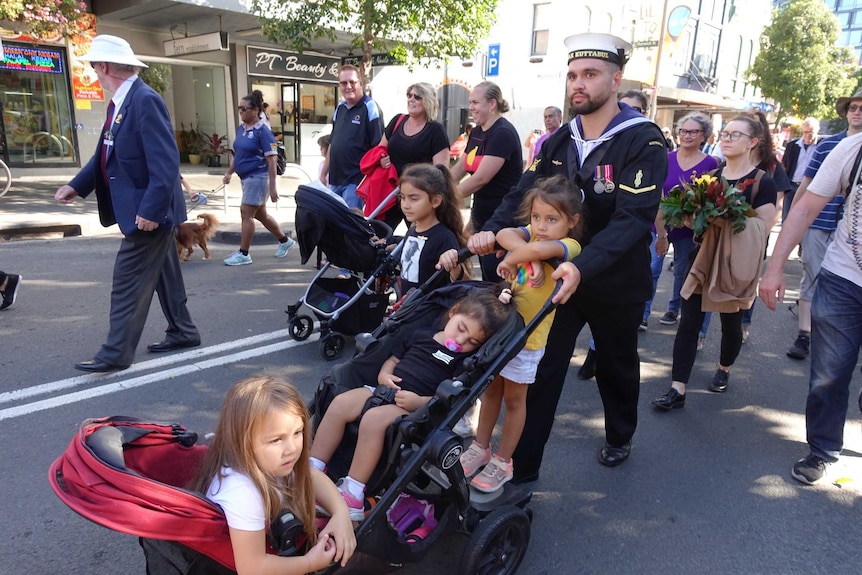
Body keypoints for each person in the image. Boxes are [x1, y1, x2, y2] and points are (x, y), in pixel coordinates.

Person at [470, 33, 668, 476]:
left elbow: (633, 219)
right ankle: (519, 473)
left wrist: (581, 265)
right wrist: (489, 231)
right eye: (574, 75)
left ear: (616, 80)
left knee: (616, 365)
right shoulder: (558, 141)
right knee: (539, 372)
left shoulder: (643, 140)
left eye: (591, 75)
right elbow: (521, 194)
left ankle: (620, 433)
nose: (579, 84)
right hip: (554, 279)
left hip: (613, 280)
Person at [55, 35, 200, 373]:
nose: (94, 73)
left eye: (94, 67)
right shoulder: (122, 102)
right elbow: (105, 154)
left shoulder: (144, 100)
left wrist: (150, 211)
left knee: (127, 280)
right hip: (149, 205)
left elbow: (166, 164)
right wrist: (76, 186)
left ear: (104, 66)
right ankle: (183, 330)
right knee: (165, 274)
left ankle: (116, 353)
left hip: (149, 210)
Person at [309, 288, 512, 518]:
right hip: (382, 390)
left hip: (412, 409)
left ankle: (353, 493)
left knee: (373, 420)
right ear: (453, 312)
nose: (460, 340)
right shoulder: (421, 335)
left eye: (472, 342)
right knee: (340, 403)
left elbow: (450, 397)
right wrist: (384, 375)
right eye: (461, 329)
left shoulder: (461, 361)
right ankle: (313, 468)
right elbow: (393, 359)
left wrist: (420, 402)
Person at [456, 175, 582, 493]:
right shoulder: (533, 236)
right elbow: (505, 233)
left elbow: (541, 247)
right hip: (502, 331)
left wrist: (519, 256)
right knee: (490, 391)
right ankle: (480, 445)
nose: (541, 225)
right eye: (536, 217)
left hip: (528, 340)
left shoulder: (570, 245)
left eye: (552, 219)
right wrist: (530, 256)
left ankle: (503, 460)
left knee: (514, 400)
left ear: (572, 221)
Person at [652, 115, 777, 411]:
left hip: (735, 265)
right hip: (703, 258)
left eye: (735, 135)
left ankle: (724, 368)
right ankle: (677, 388)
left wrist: (724, 220)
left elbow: (764, 227)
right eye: (726, 133)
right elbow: (694, 217)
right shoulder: (713, 175)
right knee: (688, 322)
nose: (727, 138)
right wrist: (689, 217)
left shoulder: (762, 182)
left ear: (753, 142)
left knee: (731, 325)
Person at [759, 130, 862, 485]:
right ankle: (823, 449)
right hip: (844, 278)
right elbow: (804, 208)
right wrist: (774, 268)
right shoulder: (853, 149)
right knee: (830, 372)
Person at [191, 376, 356, 574]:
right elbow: (252, 568)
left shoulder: (267, 462)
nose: (291, 448)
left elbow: (311, 476)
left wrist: (341, 513)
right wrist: (310, 563)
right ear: (243, 441)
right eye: (276, 440)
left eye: (298, 432)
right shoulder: (243, 492)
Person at [577, 90, 651, 379]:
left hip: (619, 276)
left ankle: (598, 353)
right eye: (573, 75)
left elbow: (635, 213)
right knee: (545, 368)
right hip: (572, 267)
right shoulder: (573, 137)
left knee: (618, 373)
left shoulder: (644, 141)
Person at [786, 89, 862, 360]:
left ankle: (832, 333)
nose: (856, 111)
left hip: (853, 233)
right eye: (852, 107)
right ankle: (804, 334)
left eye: (861, 108)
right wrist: (791, 226)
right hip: (820, 222)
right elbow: (805, 185)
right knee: (813, 275)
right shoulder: (828, 145)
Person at [451, 81, 523, 280]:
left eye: (475, 102)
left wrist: (447, 198)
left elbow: (481, 178)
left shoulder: (502, 133)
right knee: (478, 267)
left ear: (492, 104)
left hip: (502, 217)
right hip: (481, 213)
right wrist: (437, 186)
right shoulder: (476, 132)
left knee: (494, 274)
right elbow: (461, 167)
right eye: (470, 102)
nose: (471, 107)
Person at [222, 91, 295, 266]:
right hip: (245, 177)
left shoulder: (263, 132)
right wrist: (229, 172)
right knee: (260, 214)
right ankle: (285, 241)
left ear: (255, 110)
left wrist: (273, 188)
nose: (240, 112)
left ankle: (244, 253)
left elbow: (272, 161)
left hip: (258, 177)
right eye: (239, 108)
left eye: (243, 109)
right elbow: (238, 154)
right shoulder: (241, 129)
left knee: (246, 213)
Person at [741, 107, 792, 342]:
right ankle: (703, 329)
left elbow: (778, 207)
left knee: (747, 283)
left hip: (755, 236)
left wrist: (760, 235)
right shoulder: (728, 162)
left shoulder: (773, 167)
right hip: (724, 235)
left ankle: (743, 323)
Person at [376, 82, 450, 231]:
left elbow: (440, 171)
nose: (411, 99)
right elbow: (381, 148)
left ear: (428, 101)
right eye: (409, 95)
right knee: (377, 234)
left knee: (418, 237)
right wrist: (382, 158)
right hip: (390, 192)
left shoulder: (436, 130)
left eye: (417, 96)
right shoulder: (398, 120)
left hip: (418, 195)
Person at [320, 65, 384, 210]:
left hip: (355, 182)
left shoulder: (370, 107)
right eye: (344, 83)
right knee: (334, 224)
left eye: (352, 82)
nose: (348, 86)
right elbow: (333, 143)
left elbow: (378, 146)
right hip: (336, 180)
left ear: (360, 83)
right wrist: (324, 173)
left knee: (351, 225)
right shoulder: (340, 108)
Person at [397, 164, 468, 294]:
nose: (406, 205)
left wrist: (453, 264)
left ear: (435, 201)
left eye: (414, 198)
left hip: (431, 310)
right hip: (408, 309)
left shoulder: (444, 237)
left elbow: (460, 282)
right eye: (402, 197)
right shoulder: (412, 231)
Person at [781, 117, 819, 222]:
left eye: (811, 132)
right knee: (787, 216)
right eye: (806, 132)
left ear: (817, 131)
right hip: (792, 185)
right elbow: (785, 165)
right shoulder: (792, 146)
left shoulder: (820, 146)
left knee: (805, 217)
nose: (808, 135)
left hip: (811, 187)